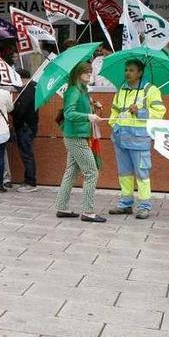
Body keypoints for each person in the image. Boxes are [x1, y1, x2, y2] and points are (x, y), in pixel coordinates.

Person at [107, 59, 166, 219]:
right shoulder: (121, 90)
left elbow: (160, 112)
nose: (127, 73)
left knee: (142, 174)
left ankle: (144, 206)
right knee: (124, 173)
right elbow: (114, 110)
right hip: (121, 138)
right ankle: (125, 203)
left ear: (140, 72)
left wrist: (140, 111)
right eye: (126, 70)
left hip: (139, 139)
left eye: (131, 70)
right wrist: (114, 125)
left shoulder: (150, 90)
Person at [56, 62, 107, 223]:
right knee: (92, 172)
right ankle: (88, 211)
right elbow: (69, 113)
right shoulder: (73, 91)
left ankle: (62, 207)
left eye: (90, 72)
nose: (90, 75)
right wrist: (88, 116)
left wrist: (93, 104)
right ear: (78, 74)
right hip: (76, 136)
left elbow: (83, 102)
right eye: (86, 73)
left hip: (76, 135)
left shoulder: (82, 90)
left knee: (71, 171)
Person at [13, 68, 39, 192]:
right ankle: (29, 179)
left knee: (27, 154)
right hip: (29, 126)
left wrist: (12, 110)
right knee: (27, 154)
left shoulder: (28, 91)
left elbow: (21, 111)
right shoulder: (32, 88)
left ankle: (30, 182)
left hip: (25, 127)